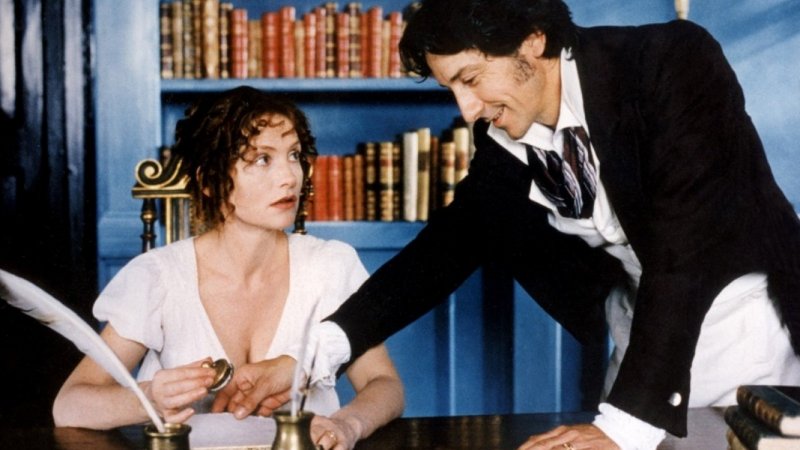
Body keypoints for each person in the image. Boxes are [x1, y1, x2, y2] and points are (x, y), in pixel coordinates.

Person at [218, 1, 800, 449]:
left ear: (533, 40)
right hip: (638, 334)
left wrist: (625, 424)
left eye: (471, 79)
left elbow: (685, 248)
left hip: (739, 319)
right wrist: (312, 357)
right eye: (451, 88)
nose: (466, 109)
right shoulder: (502, 135)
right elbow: (442, 251)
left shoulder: (670, 61)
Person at [51, 86, 404, 450]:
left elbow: (385, 384)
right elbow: (70, 404)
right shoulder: (159, 277)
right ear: (210, 181)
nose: (290, 177)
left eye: (294, 155)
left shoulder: (330, 265)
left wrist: (347, 424)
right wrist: (149, 399)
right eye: (263, 159)